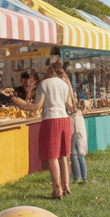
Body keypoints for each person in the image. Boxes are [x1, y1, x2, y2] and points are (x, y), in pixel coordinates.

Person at [35, 60, 76, 199]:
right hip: (64, 119)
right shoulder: (64, 84)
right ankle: (66, 186)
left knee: (52, 156)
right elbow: (70, 104)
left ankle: (57, 189)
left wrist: (21, 104)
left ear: (48, 71)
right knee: (64, 155)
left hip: (50, 119)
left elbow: (37, 105)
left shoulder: (43, 84)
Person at [70, 100, 89, 186]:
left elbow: (70, 107)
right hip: (79, 121)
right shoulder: (74, 93)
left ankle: (77, 177)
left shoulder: (68, 91)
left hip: (73, 121)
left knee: (74, 154)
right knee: (80, 153)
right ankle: (83, 177)